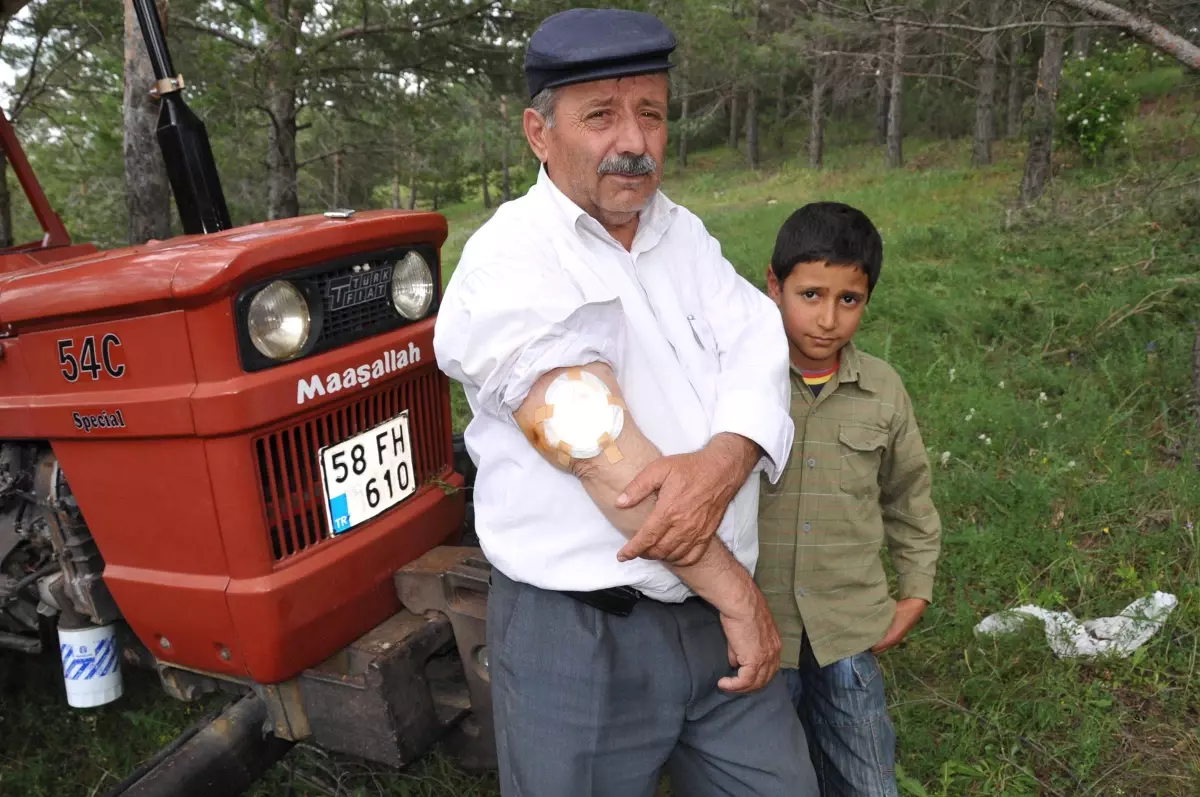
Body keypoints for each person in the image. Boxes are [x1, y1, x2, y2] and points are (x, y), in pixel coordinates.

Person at [433, 7, 819, 797]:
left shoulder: (678, 231)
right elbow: (604, 454)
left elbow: (758, 342)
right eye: (601, 116)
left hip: (708, 625)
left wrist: (722, 458)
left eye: (651, 113)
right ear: (539, 133)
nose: (634, 142)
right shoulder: (506, 263)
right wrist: (741, 597)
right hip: (581, 639)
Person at [756, 201, 943, 796]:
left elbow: (909, 495)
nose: (828, 319)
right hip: (756, 628)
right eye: (810, 295)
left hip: (847, 626)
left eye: (849, 300)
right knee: (763, 775)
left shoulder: (883, 390)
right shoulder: (737, 382)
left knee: (866, 778)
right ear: (774, 285)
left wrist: (915, 590)